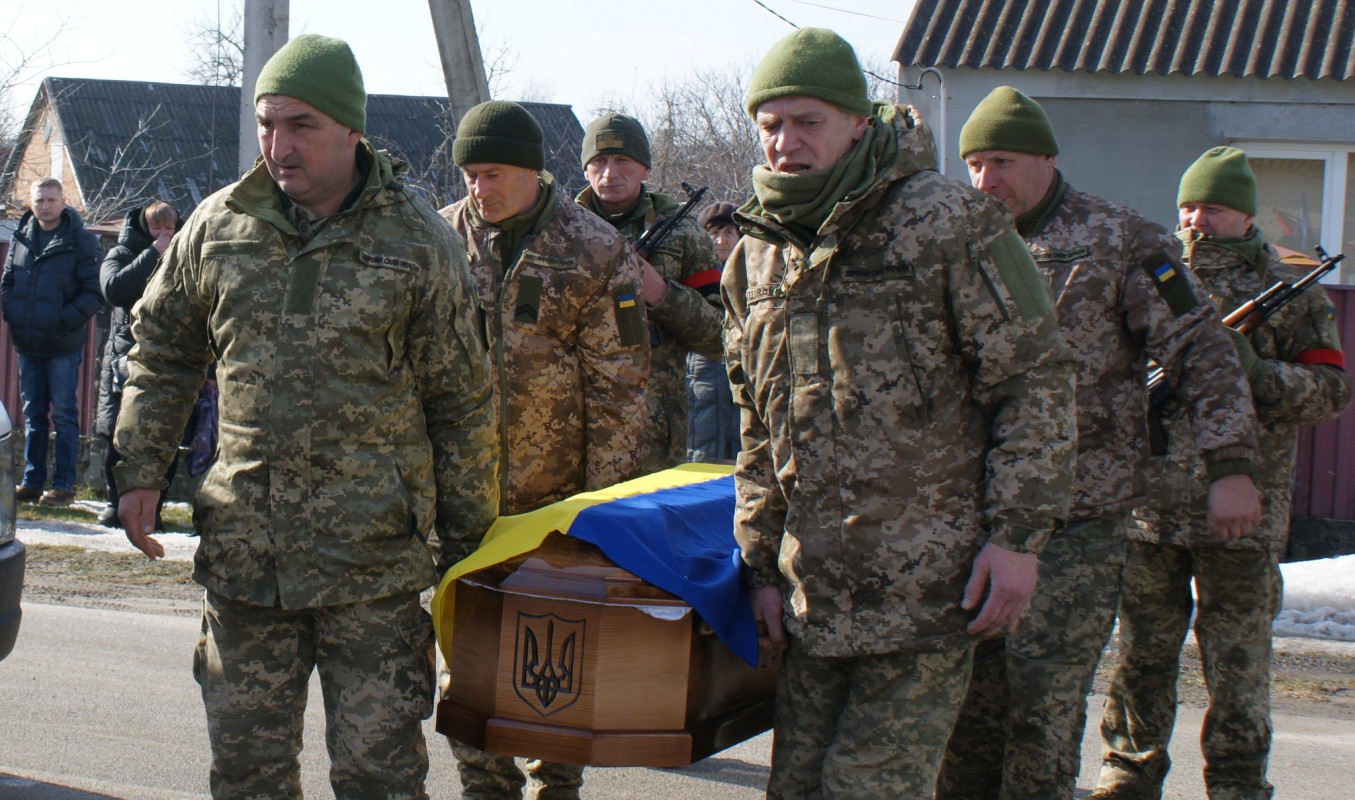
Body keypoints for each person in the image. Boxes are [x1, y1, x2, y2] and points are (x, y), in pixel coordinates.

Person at [111, 35, 500, 799]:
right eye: (267, 124)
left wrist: (468, 546)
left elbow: (462, 401)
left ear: (351, 130)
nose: (278, 147)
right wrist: (138, 471)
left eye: (302, 127)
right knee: (248, 776)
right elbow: (161, 351)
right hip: (246, 560)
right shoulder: (218, 226)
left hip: (372, 567)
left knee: (378, 778)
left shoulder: (416, 241)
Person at [723, 29, 1079, 799]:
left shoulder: (947, 222)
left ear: (857, 120)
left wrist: (1017, 539)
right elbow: (756, 418)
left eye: (806, 121)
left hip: (925, 593)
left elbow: (1034, 382)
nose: (786, 142)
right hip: (810, 594)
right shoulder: (755, 253)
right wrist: (756, 563)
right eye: (770, 124)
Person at [937, 87, 1264, 800]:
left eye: (1002, 161)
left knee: (1040, 706)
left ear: (1046, 159)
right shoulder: (956, 244)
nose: (986, 180)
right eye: (973, 164)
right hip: (971, 516)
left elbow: (1201, 352)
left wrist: (1229, 464)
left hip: (1078, 516)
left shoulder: (1121, 241)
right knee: (965, 711)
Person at [1093, 147, 1351, 800]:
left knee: (1237, 666)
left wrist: (1257, 373)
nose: (1194, 218)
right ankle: (1127, 773)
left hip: (1240, 514)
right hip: (1149, 511)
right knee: (1139, 659)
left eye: (1211, 207)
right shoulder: (1148, 274)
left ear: (1243, 215)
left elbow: (1329, 391)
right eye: (1186, 204)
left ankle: (1237, 785)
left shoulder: (1289, 289)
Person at [439, 99, 650, 800]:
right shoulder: (438, 241)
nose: (479, 189)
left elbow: (621, 391)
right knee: (465, 664)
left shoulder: (592, 249)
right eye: (469, 174)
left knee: (554, 665)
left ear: (531, 171)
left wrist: (600, 519)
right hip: (460, 502)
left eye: (492, 173)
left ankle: (555, 788)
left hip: (556, 509)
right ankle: (483, 789)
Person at [575, 112, 724, 471]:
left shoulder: (684, 235)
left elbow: (721, 338)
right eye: (599, 162)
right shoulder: (560, 232)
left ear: (645, 169)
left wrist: (662, 295)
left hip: (653, 434)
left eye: (623, 160)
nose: (609, 173)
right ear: (585, 170)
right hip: (570, 426)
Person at [2, 178, 103, 506]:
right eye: (39, 200)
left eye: (50, 199)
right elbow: (7, 282)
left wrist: (64, 320)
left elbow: (93, 292)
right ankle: (31, 482)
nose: (45, 205)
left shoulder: (81, 241)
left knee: (63, 414)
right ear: (31, 203)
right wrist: (14, 314)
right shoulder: (21, 237)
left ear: (63, 201)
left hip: (62, 345)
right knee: (33, 414)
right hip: (28, 343)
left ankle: (62, 486)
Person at [94, 201, 180, 528]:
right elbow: (115, 290)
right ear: (145, 229)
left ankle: (153, 512)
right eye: (156, 229)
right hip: (124, 359)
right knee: (117, 436)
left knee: (163, 438)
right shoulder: (122, 253)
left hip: (168, 357)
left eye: (169, 229)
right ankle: (113, 504)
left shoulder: (186, 255)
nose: (163, 235)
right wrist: (152, 254)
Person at [686, 200, 740, 462]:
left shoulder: (754, 275)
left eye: (728, 233)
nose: (720, 241)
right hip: (699, 378)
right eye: (714, 233)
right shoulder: (690, 275)